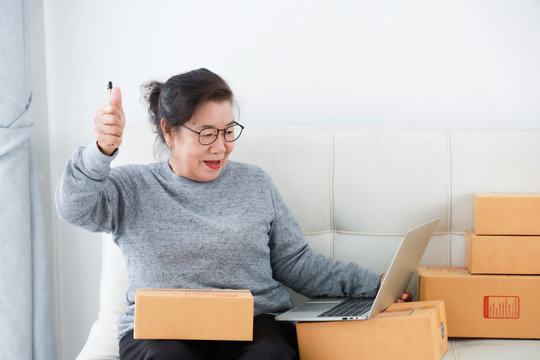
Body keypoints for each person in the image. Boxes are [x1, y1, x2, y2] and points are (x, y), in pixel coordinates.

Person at [56, 68, 412, 360]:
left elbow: (297, 263)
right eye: (207, 133)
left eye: (228, 131)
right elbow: (73, 207)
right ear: (169, 131)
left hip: (256, 326)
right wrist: (101, 151)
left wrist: (375, 286)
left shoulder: (254, 182)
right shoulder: (131, 187)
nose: (221, 146)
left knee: (270, 356)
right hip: (161, 333)